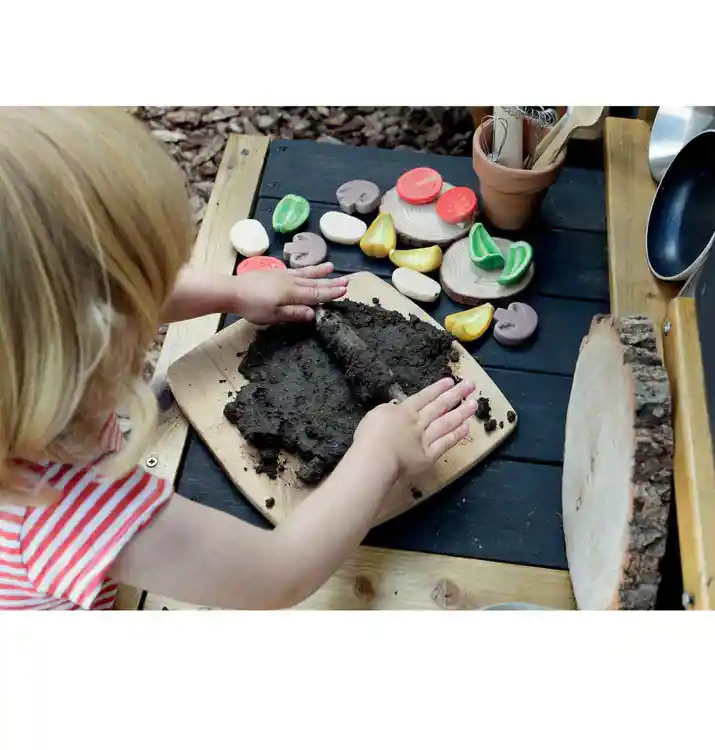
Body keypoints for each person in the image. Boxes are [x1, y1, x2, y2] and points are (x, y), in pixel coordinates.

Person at [0, 107, 477, 610]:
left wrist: (230, 291)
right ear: (93, 341)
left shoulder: (24, 364)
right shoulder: (70, 507)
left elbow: (94, 294)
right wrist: (380, 452)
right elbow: (278, 573)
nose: (154, 296)